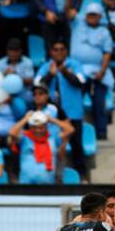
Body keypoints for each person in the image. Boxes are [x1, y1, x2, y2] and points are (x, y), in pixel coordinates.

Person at [34, 40, 86, 179]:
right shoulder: (46, 67)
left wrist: (64, 72)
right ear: (51, 52)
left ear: (66, 51)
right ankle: (50, 177)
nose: (59, 52)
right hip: (52, 114)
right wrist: (50, 74)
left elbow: (81, 82)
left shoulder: (74, 65)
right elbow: (37, 85)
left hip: (73, 112)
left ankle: (82, 176)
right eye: (55, 49)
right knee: (51, 145)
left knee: (76, 145)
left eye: (62, 49)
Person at [70, 3, 113, 140]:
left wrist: (102, 71)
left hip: (96, 72)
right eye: (89, 15)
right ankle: (73, 133)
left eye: (95, 15)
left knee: (99, 102)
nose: (92, 17)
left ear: (100, 16)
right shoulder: (77, 24)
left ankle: (101, 133)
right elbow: (67, 13)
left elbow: (107, 52)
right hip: (77, 71)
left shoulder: (104, 32)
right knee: (74, 103)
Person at [9, 109, 73, 184]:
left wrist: (51, 119)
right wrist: (25, 119)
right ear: (30, 127)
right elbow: (12, 132)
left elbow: (70, 129)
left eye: (41, 127)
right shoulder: (25, 137)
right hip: (26, 183)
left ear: (46, 126)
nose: (38, 130)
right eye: (35, 127)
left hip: (47, 183)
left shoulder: (52, 138)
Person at [0, 38, 34, 104]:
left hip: (22, 92)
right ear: (7, 51)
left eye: (15, 51)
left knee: (26, 102)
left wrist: (15, 77)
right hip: (4, 92)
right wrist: (5, 75)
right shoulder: (0, 63)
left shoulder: (28, 62)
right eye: (10, 50)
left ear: (20, 51)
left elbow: (30, 81)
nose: (13, 53)